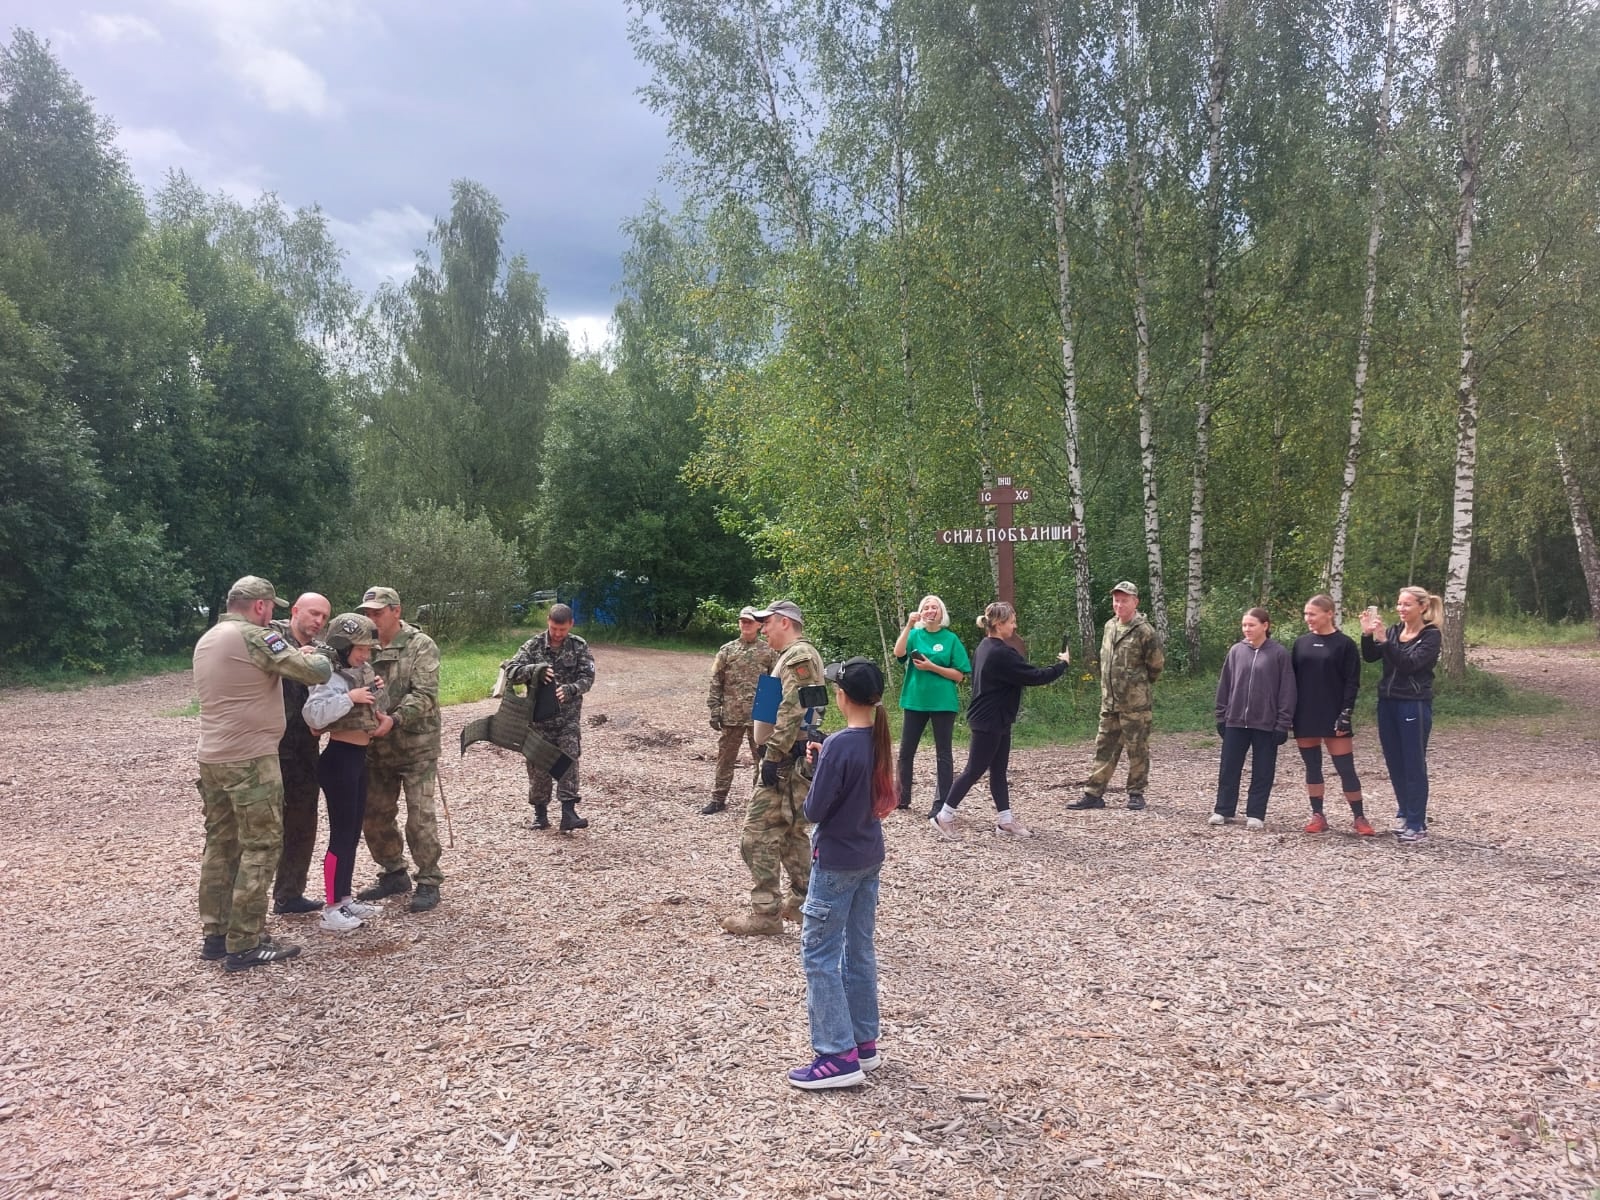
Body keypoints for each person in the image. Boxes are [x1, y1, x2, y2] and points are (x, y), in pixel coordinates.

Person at [193, 575, 331, 972]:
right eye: (272, 607)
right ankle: (246, 942)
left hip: (213, 757)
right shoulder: (255, 636)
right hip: (251, 759)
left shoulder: (210, 637)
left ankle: (216, 935)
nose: (273, 614)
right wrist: (317, 652)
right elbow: (315, 670)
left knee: (221, 845)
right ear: (259, 606)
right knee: (262, 846)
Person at [787, 657, 896, 1090]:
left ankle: (834, 1054)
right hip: (869, 855)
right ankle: (863, 1043)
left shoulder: (838, 748)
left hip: (834, 862)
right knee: (859, 948)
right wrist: (825, 756)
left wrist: (817, 766)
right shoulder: (878, 740)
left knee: (819, 954)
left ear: (843, 696)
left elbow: (814, 809)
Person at [722, 599, 826, 935]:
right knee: (791, 833)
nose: (763, 629)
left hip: (785, 760)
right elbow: (808, 710)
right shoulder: (797, 656)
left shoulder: (799, 656)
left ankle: (767, 914)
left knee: (755, 836)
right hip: (793, 757)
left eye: (767, 623)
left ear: (784, 622)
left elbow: (795, 710)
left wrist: (773, 755)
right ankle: (806, 904)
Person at [930, 602, 1071, 840]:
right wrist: (1062, 665)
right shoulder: (1001, 653)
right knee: (973, 770)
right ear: (999, 624)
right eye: (1012, 621)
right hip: (988, 720)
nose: (1015, 626)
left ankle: (1005, 821)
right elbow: (1034, 676)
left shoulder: (985, 647)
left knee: (998, 771)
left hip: (997, 718)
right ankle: (943, 816)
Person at [353, 587, 444, 912]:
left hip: (416, 746)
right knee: (374, 815)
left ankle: (429, 880)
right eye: (368, 613)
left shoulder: (421, 645)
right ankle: (393, 872)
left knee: (420, 818)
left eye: (377, 612)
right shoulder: (364, 646)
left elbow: (424, 694)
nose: (371, 618)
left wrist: (394, 719)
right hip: (376, 748)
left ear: (396, 610)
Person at [302, 613, 395, 932]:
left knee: (353, 833)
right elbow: (313, 716)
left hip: (358, 757)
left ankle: (343, 897)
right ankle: (330, 908)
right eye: (360, 649)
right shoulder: (329, 675)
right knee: (341, 835)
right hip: (339, 759)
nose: (365, 655)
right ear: (342, 646)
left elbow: (369, 709)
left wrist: (374, 691)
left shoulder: (357, 671)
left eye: (369, 650)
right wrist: (349, 697)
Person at [1069, 581, 1165, 811]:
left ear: (1135, 602)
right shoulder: (1110, 626)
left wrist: (1137, 687)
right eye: (1116, 600)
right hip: (1110, 702)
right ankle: (1094, 794)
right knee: (1104, 747)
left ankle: (1136, 792)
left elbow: (1156, 665)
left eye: (1124, 600)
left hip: (1135, 705)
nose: (1119, 604)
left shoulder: (1144, 631)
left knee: (1137, 748)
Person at [503, 603, 597, 832]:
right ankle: (540, 814)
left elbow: (588, 677)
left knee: (568, 760)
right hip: (538, 720)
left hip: (568, 718)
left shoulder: (578, 646)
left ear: (570, 625)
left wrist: (570, 689)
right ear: (548, 622)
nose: (557, 634)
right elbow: (510, 671)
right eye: (554, 628)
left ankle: (568, 813)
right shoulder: (533, 645)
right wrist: (535, 670)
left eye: (562, 630)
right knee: (539, 766)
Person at [1360, 586, 1443, 843]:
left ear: (1423, 607)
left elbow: (1409, 665)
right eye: (1399, 604)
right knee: (1395, 761)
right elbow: (1371, 656)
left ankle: (1418, 825)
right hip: (1388, 702)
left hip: (1413, 703)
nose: (1401, 609)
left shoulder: (1430, 636)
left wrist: (1386, 642)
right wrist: (1367, 635)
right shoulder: (1395, 631)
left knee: (1413, 763)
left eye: (1407, 604)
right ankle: (1406, 815)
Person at [269, 592, 332, 915]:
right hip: (269, 747)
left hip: (305, 746)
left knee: (303, 820)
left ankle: (289, 894)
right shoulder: (272, 634)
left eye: (323, 616)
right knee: (265, 826)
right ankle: (246, 908)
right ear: (295, 611)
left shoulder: (323, 650)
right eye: (313, 614)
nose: (318, 621)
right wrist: (299, 657)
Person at [1209, 608, 1296, 830]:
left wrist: (1283, 723)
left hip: (1266, 723)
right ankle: (1223, 809)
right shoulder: (1236, 651)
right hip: (1236, 720)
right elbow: (1225, 684)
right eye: (1244, 625)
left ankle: (1256, 813)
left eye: (1252, 625)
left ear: (1265, 625)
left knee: (1263, 769)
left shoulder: (1278, 654)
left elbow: (1287, 690)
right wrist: (1221, 715)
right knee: (1229, 767)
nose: (1247, 629)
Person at [1292, 595, 1372, 835]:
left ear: (1329, 614)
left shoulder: (1344, 644)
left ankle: (1359, 817)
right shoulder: (1301, 643)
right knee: (1312, 766)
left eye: (1312, 614)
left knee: (1345, 768)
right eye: (1306, 614)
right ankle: (1318, 815)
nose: (1308, 618)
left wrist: (1346, 713)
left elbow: (1352, 682)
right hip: (1305, 714)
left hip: (1335, 714)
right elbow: (1291, 680)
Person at [893, 595, 971, 815]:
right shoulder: (914, 634)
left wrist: (931, 667)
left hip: (943, 703)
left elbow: (959, 676)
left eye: (934, 607)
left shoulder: (951, 639)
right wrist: (908, 625)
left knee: (943, 753)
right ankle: (902, 797)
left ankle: (941, 804)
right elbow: (898, 653)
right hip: (914, 700)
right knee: (906, 752)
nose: (930, 610)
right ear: (920, 612)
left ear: (941, 612)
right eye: (926, 607)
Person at [702, 606, 777, 815]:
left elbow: (775, 685)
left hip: (759, 718)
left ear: (759, 625)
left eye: (750, 621)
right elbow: (716, 680)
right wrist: (714, 709)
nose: (745, 624)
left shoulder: (769, 652)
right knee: (725, 759)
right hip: (731, 715)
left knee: (762, 760)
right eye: (742, 621)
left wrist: (773, 715)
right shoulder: (727, 650)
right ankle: (718, 798)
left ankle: (758, 803)